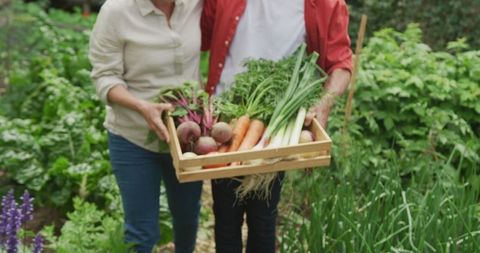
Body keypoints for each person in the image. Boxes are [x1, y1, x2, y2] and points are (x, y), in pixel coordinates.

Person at [201, 0, 353, 252]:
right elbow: (193, 33)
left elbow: (341, 63)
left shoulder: (324, 4)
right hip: (226, 119)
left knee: (263, 219)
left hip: (276, 127)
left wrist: (324, 103)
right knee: (226, 218)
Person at [88, 0, 203, 252]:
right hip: (133, 137)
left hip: (187, 137)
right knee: (141, 230)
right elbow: (104, 76)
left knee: (187, 217)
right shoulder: (116, 11)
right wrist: (142, 107)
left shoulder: (195, 4)